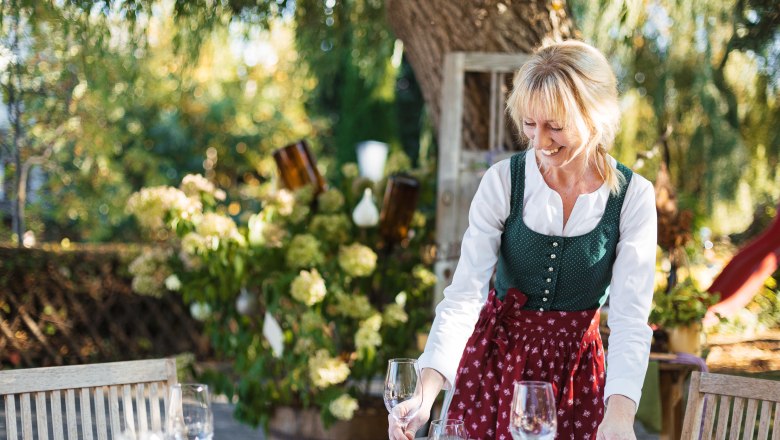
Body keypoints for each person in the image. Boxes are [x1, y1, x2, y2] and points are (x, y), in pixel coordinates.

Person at [388, 40, 657, 440]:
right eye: (530, 124)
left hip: (575, 381)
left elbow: (630, 321)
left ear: (594, 116)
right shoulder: (503, 181)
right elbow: (464, 297)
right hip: (495, 368)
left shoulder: (632, 197)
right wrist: (424, 397)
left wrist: (618, 416)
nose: (540, 141)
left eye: (555, 126)